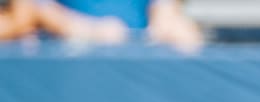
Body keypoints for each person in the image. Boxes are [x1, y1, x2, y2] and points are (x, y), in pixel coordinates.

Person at [51, 0, 203, 52]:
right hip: (69, 61)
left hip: (137, 68)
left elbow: (165, 11)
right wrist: (86, 30)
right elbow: (38, 10)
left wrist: (170, 22)